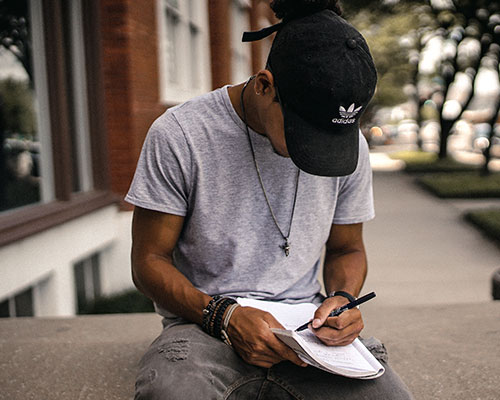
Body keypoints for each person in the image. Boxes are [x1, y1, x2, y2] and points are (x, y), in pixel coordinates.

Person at [127, 1, 413, 399]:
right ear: (265, 85)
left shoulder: (353, 148)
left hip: (308, 333)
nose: (316, 153)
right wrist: (223, 315)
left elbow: (347, 248)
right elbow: (148, 262)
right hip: (203, 325)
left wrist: (343, 300)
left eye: (331, 138)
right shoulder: (181, 135)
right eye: (304, 134)